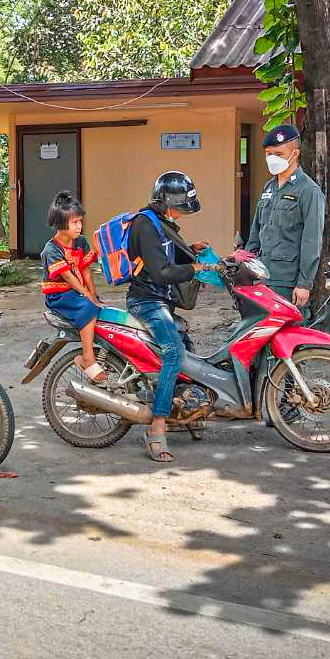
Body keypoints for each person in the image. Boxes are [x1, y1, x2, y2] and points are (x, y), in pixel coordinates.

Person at [125, 171, 213, 464]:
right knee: (174, 352)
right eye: (180, 207)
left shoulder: (161, 222)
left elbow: (168, 256)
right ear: (166, 203)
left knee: (190, 352)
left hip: (161, 300)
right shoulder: (145, 225)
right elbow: (162, 271)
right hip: (146, 302)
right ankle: (158, 426)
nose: (182, 213)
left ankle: (183, 412)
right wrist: (195, 269)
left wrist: (192, 252)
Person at [246, 124, 325, 310]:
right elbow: (256, 231)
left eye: (279, 154)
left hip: (288, 281)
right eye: (268, 154)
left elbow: (312, 241)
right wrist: (246, 263)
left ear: (294, 154)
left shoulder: (309, 191)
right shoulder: (269, 187)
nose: (272, 159)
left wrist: (304, 284)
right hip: (262, 276)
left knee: (289, 327)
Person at [39, 191, 107, 384]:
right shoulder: (52, 249)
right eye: (74, 222)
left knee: (100, 309)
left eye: (80, 221)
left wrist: (94, 295)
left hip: (76, 292)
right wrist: (87, 297)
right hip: (59, 295)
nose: (79, 226)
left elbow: (86, 272)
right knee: (88, 308)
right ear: (61, 224)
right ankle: (88, 358)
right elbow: (68, 277)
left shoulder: (81, 242)